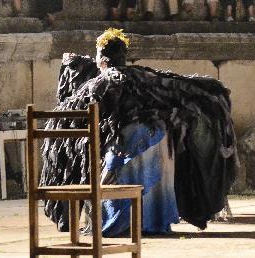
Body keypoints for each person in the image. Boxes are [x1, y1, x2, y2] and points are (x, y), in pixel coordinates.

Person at [40, 29, 237, 235]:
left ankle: (122, 221)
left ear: (103, 59)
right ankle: (153, 222)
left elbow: (71, 114)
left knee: (111, 154)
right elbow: (185, 85)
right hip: (159, 142)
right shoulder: (145, 75)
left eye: (98, 55)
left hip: (127, 148)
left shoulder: (100, 83)